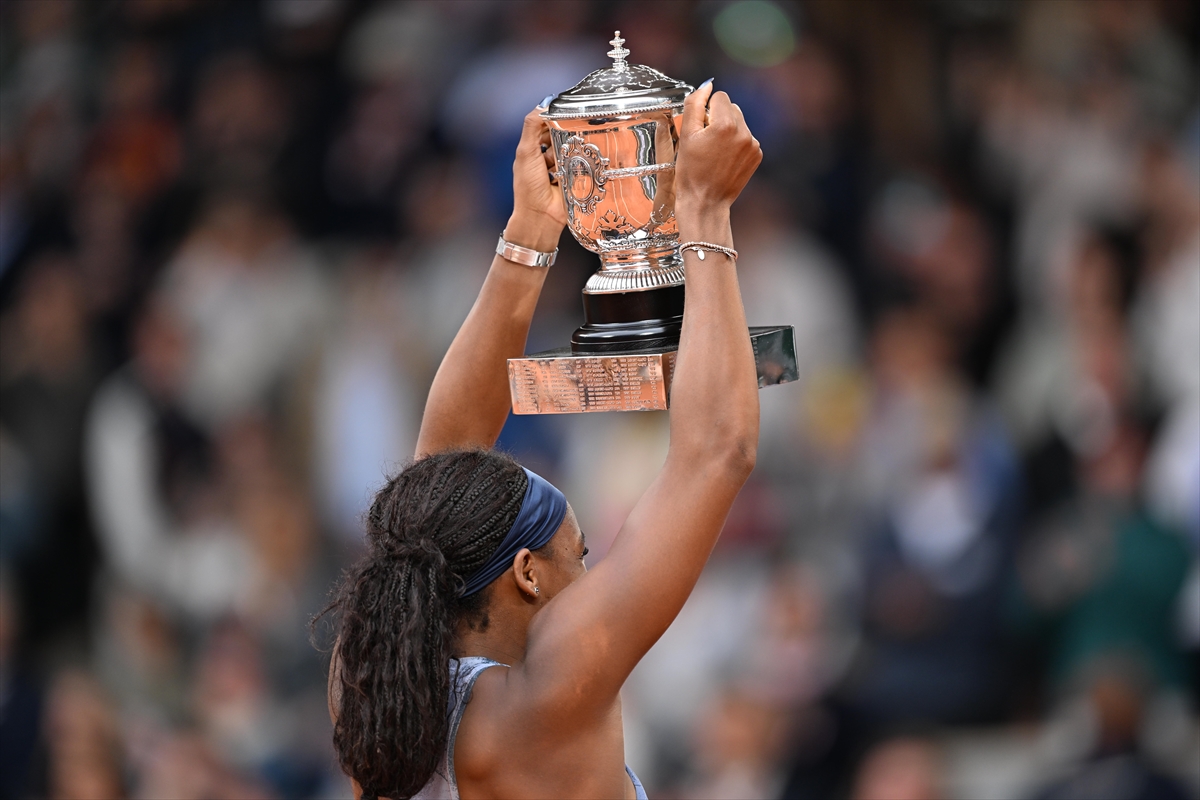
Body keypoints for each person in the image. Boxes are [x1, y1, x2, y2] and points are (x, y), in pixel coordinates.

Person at [321, 80, 763, 800]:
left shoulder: (369, 681)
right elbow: (718, 453)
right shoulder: (545, 698)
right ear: (527, 573)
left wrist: (531, 229)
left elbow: (439, 469)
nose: (590, 572)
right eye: (579, 555)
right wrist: (705, 211)